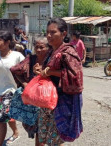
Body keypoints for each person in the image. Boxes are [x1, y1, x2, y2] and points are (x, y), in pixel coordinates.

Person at [33, 18, 83, 146]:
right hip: (47, 100)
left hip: (62, 101)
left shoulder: (68, 52)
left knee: (56, 138)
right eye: (47, 32)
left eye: (53, 32)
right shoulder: (51, 51)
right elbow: (47, 71)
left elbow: (75, 75)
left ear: (64, 33)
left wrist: (50, 72)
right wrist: (40, 70)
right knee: (43, 135)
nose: (49, 36)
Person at [0, 31, 25, 146]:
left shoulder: (17, 56)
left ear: (7, 42)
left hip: (12, 91)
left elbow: (26, 70)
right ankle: (16, 132)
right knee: (7, 115)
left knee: (2, 117)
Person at [10, 36, 50, 146]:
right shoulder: (30, 59)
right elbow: (15, 70)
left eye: (42, 47)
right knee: (38, 131)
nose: (38, 50)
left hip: (48, 100)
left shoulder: (52, 59)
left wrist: (42, 74)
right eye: (36, 47)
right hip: (34, 101)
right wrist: (24, 84)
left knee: (48, 132)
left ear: (48, 48)